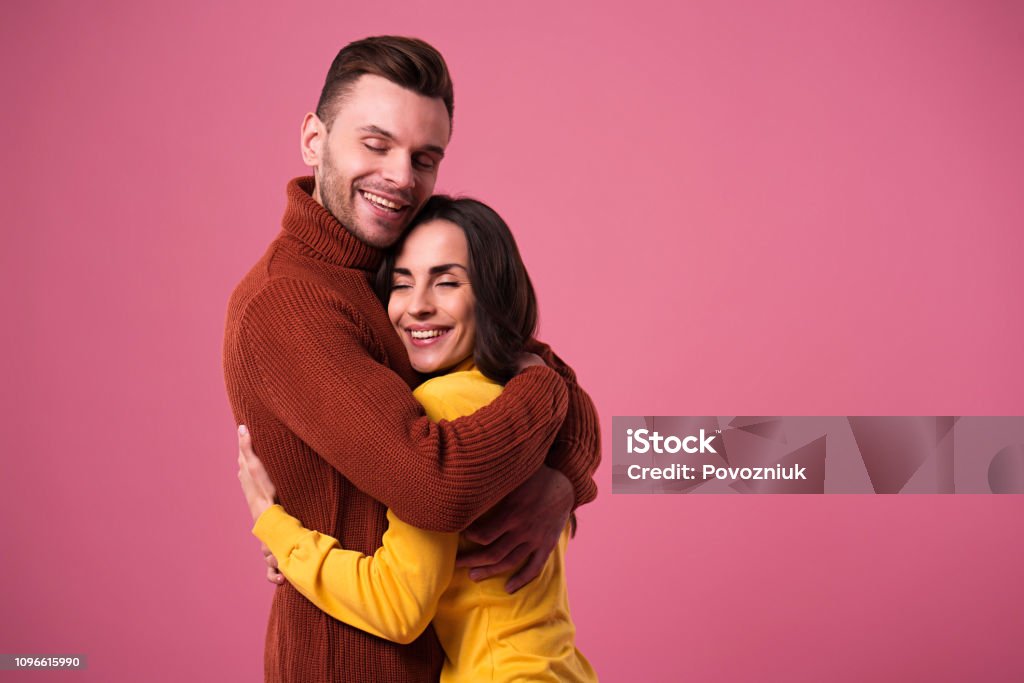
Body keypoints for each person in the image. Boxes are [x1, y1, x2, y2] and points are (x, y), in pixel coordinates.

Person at [222, 36, 600, 682]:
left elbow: (528, 369)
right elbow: (436, 483)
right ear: (314, 140)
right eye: (376, 144)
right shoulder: (290, 301)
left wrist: (561, 479)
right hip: (352, 660)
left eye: (425, 157)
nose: (402, 176)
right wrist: (541, 393)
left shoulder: (390, 274)